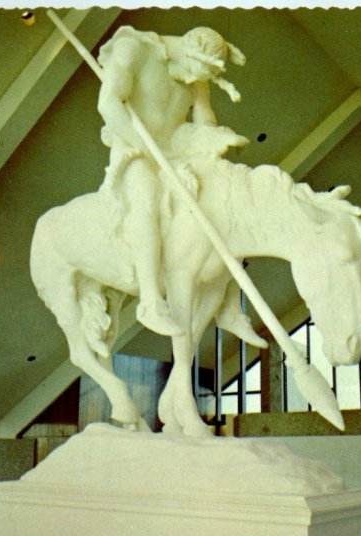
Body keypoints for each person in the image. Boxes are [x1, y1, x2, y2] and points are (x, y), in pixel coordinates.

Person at [96, 25, 265, 348]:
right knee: (145, 197)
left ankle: (228, 307)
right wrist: (151, 155)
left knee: (221, 203)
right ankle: (149, 301)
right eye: (193, 72)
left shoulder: (196, 75)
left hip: (177, 150)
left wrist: (214, 139)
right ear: (188, 48)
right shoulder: (133, 48)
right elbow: (108, 104)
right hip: (136, 148)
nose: (193, 82)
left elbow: (204, 117)